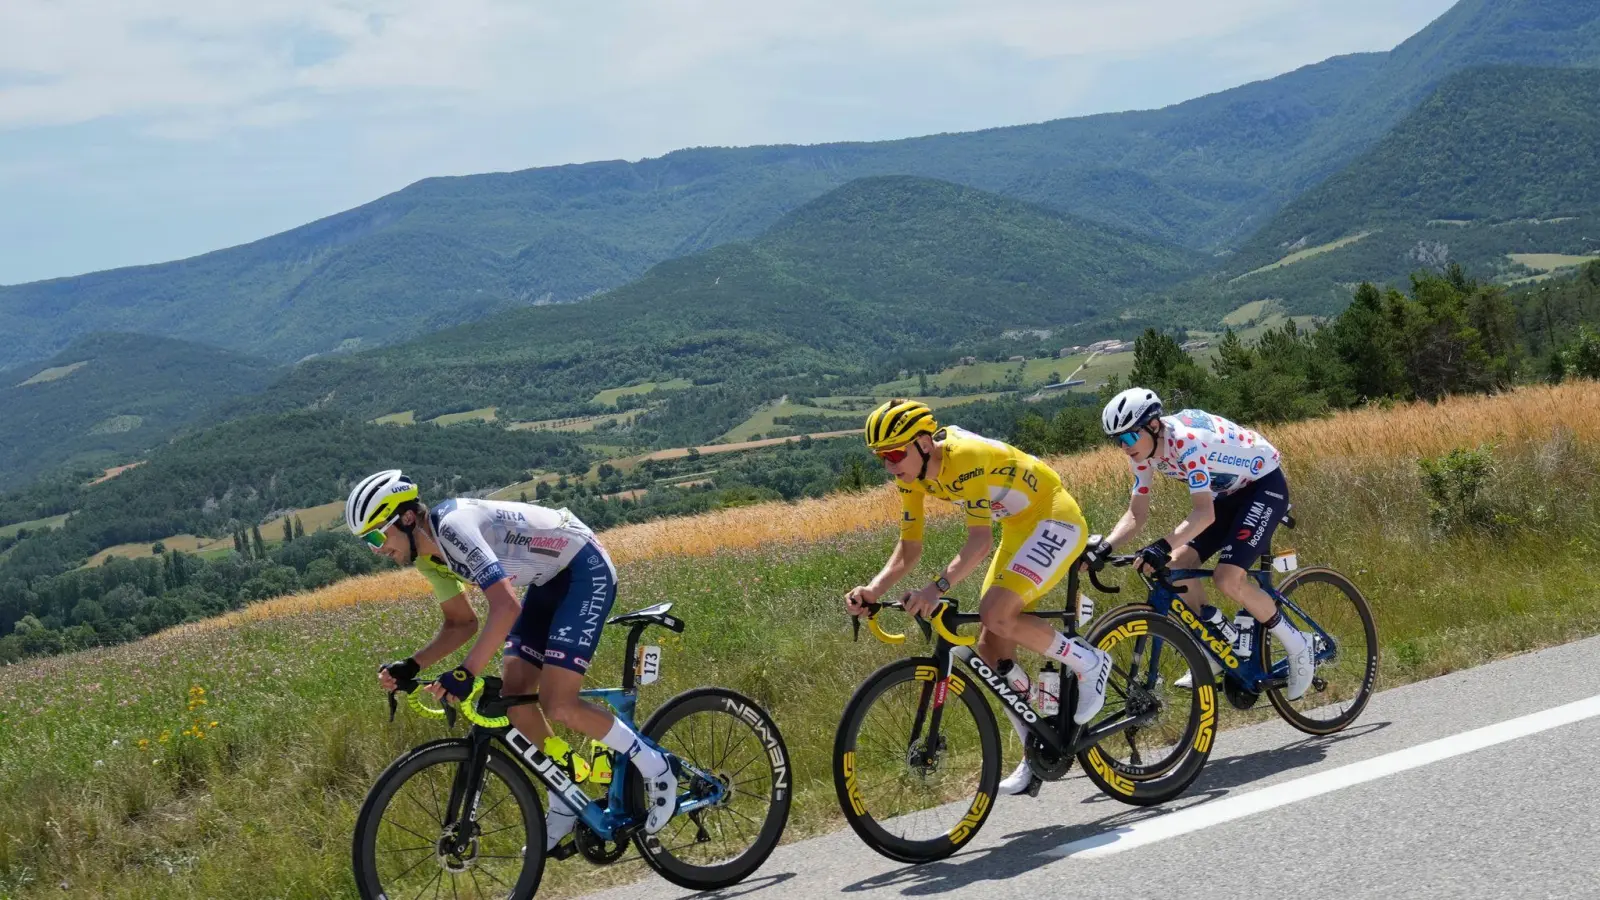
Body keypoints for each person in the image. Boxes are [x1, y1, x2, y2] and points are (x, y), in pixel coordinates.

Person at [347, 470, 677, 849]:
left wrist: (467, 672)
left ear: (406, 519)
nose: (376, 549)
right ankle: (566, 801)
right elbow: (461, 623)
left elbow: (505, 606)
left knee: (558, 702)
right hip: (547, 581)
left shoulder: (452, 527)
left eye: (376, 535)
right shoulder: (428, 558)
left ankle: (656, 766)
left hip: (583, 569)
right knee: (516, 700)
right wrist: (413, 664)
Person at [845, 399, 1112, 797]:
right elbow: (908, 549)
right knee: (991, 649)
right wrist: (873, 589)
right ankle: (1035, 748)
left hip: (1054, 517)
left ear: (922, 443)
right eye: (882, 457)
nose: (889, 465)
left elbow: (979, 541)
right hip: (1019, 528)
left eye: (895, 453)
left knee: (996, 612)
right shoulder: (910, 478)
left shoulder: (963, 458)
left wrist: (936, 588)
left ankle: (1090, 662)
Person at [1094, 388, 1314, 699]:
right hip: (1227, 493)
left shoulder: (1185, 441)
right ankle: (1215, 647)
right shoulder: (1143, 453)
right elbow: (1136, 513)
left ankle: (1297, 644)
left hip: (1262, 485)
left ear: (1153, 426)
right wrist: (1106, 547)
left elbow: (1203, 513)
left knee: (1228, 578)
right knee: (1177, 566)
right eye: (1117, 440)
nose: (1123, 446)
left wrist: (1161, 544)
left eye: (1128, 437)